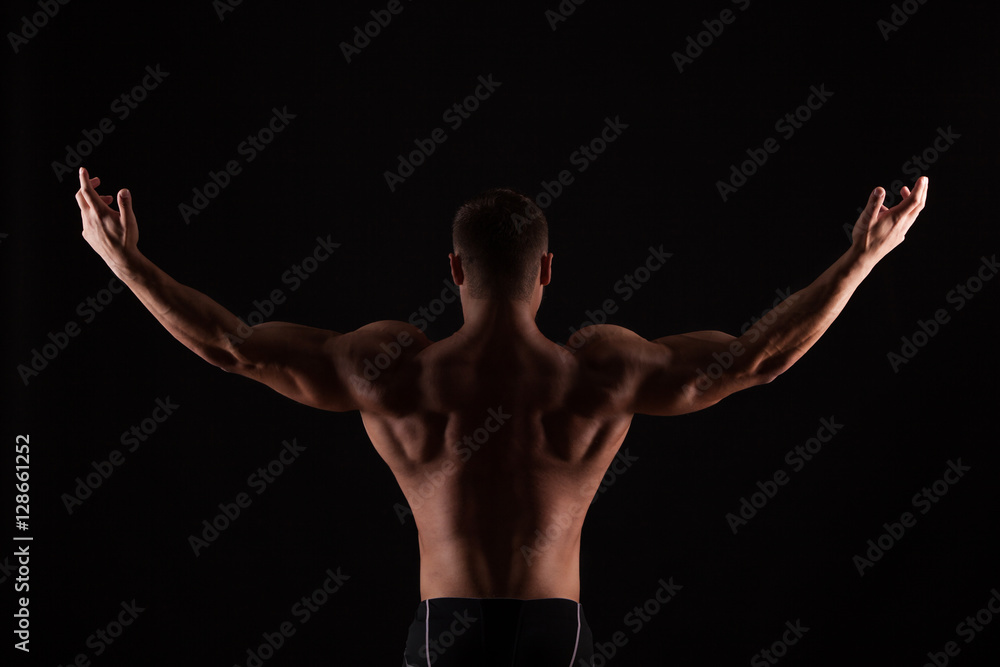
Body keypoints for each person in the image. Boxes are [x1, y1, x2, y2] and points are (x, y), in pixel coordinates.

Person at [74, 166, 927, 666]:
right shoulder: (603, 368)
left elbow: (236, 348)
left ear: (453, 267)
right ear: (547, 269)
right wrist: (863, 257)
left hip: (446, 627)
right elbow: (755, 360)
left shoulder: (395, 366)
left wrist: (125, 260)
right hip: (554, 630)